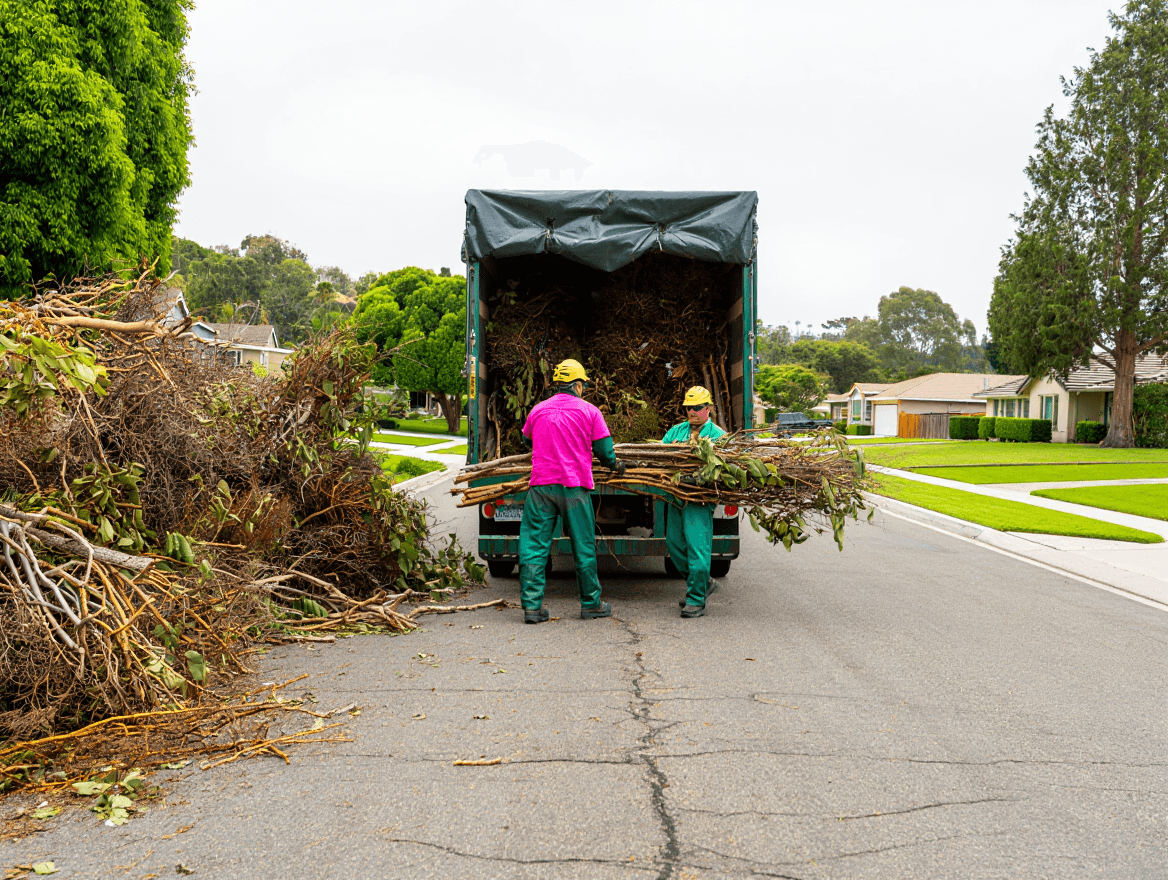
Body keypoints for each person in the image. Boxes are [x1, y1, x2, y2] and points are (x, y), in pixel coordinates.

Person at [518, 359, 626, 624]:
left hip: (541, 487)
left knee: (533, 547)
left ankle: (532, 608)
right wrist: (616, 465)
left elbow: (526, 439)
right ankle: (591, 604)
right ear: (578, 384)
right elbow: (604, 451)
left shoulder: (538, 410)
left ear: (557, 385)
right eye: (583, 385)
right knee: (583, 545)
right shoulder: (590, 411)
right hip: (574, 488)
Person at [662, 386, 725, 618]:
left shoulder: (718, 436)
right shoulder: (675, 432)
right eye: (689, 408)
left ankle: (696, 599)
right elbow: (661, 456)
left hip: (699, 501)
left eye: (697, 407)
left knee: (698, 551)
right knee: (674, 546)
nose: (692, 411)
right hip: (676, 498)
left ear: (708, 408)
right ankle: (702, 584)